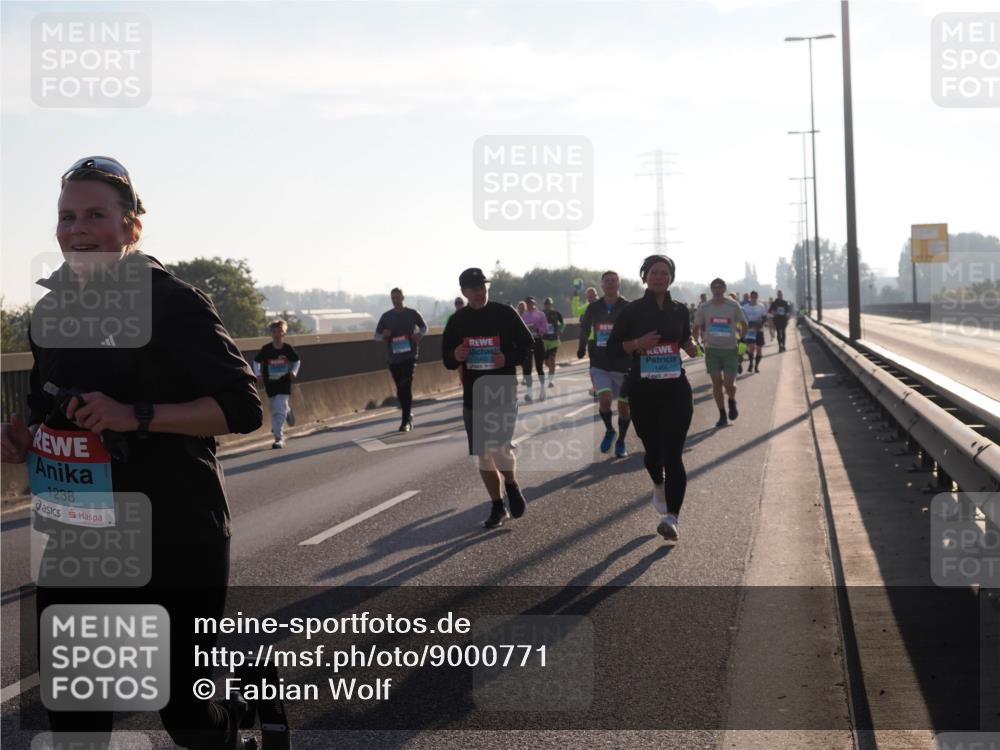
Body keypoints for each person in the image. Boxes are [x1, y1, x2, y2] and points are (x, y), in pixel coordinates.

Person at [0, 156, 262, 749]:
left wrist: (135, 415)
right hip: (79, 534)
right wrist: (26, 441)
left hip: (175, 528)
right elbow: (49, 409)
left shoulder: (171, 302)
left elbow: (243, 408)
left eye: (95, 215)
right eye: (67, 217)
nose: (78, 230)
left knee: (185, 712)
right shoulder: (49, 312)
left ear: (131, 227)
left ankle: (241, 721)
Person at [607, 255, 698, 542]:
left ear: (671, 277)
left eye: (665, 273)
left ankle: (672, 518)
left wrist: (691, 346)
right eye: (655, 272)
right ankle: (658, 482)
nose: (660, 277)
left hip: (675, 389)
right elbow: (612, 348)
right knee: (653, 455)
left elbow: (685, 338)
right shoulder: (632, 311)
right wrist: (637, 344)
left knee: (673, 455)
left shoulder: (679, 310)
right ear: (645, 276)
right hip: (643, 390)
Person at [442, 268, 534, 529]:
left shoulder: (505, 313)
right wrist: (456, 355)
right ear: (464, 292)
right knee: (483, 455)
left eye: (482, 287)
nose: (479, 292)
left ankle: (511, 484)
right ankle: (497, 506)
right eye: (473, 289)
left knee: (499, 447)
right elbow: (447, 359)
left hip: (502, 390)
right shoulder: (457, 321)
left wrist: (508, 358)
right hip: (473, 394)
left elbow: (528, 346)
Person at [577, 271, 631, 458]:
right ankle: (609, 430)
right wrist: (581, 347)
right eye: (606, 280)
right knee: (605, 399)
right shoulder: (594, 307)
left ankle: (621, 440)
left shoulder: (628, 306)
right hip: (600, 362)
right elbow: (585, 328)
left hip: (623, 363)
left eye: (613, 280)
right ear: (602, 285)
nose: (610, 283)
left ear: (619, 283)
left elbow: (637, 328)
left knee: (624, 407)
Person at [693, 278, 747, 427]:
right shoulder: (705, 307)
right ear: (711, 289)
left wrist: (742, 342)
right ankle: (722, 414)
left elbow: (744, 325)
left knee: (729, 384)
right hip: (712, 350)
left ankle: (731, 400)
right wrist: (697, 344)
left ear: (724, 289)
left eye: (720, 287)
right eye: (714, 287)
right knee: (716, 382)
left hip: (730, 350)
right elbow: (696, 327)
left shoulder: (733, 305)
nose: (717, 290)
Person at [374, 288, 427, 432]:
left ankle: (405, 422)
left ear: (403, 297)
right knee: (400, 389)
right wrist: (384, 335)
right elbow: (376, 336)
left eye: (397, 297)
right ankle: (408, 414)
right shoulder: (386, 317)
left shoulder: (412, 313)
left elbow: (424, 327)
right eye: (393, 298)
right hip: (394, 358)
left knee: (406, 386)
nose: (395, 300)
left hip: (409, 356)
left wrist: (419, 335)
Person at [253, 319, 301, 448]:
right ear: (271, 333)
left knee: (278, 410)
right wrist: (258, 375)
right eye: (274, 331)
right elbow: (256, 362)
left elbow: (297, 361)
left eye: (279, 331)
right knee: (275, 408)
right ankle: (287, 411)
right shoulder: (266, 349)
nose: (277, 334)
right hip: (270, 383)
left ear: (284, 333)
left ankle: (279, 438)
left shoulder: (287, 349)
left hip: (284, 383)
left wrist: (294, 372)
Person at [520, 296, 549, 402]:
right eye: (527, 303)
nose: (529, 304)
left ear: (534, 303)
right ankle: (529, 393)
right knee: (527, 368)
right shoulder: (523, 316)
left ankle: (542, 390)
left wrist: (537, 329)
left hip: (538, 342)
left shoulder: (541, 314)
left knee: (539, 367)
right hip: (527, 344)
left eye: (531, 302)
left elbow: (545, 328)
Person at [741, 290, 768, 373]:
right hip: (750, 329)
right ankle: (751, 363)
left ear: (757, 297)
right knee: (751, 348)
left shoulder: (761, 306)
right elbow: (742, 318)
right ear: (750, 297)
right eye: (752, 297)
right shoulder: (745, 307)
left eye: (755, 297)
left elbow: (764, 317)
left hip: (759, 329)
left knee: (759, 349)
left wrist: (761, 324)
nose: (754, 298)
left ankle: (756, 366)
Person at [541, 297, 565, 388]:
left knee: (552, 360)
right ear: (544, 305)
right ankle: (551, 369)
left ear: (551, 304)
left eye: (549, 304)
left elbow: (563, 323)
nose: (548, 305)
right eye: (546, 304)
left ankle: (551, 381)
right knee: (547, 362)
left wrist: (560, 331)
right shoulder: (541, 314)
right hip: (544, 341)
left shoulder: (556, 313)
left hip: (554, 340)